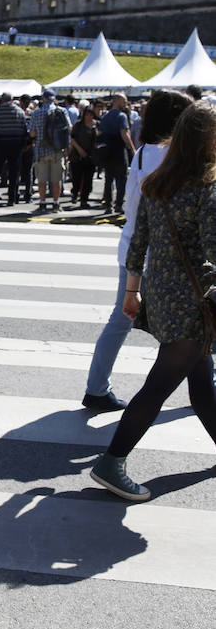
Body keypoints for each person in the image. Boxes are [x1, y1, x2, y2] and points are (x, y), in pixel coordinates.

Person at [90, 101, 216, 500]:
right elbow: (213, 249)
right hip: (193, 301)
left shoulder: (157, 182)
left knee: (201, 380)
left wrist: (132, 292)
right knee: (160, 385)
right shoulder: (207, 187)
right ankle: (112, 461)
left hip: (161, 294)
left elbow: (137, 242)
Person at [83, 90, 193, 413]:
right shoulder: (179, 154)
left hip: (134, 249)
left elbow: (133, 210)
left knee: (121, 320)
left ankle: (96, 387)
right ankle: (204, 389)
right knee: (191, 327)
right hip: (167, 257)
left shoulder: (144, 153)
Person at [29, 89, 71, 214]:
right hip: (57, 150)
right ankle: (56, 203)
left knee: (42, 179)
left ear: (43, 99)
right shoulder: (62, 111)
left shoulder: (36, 113)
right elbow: (69, 128)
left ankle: (42, 203)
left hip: (41, 150)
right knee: (56, 179)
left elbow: (32, 133)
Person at [98, 92, 136, 215]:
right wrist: (132, 148)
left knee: (108, 179)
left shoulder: (105, 116)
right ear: (117, 101)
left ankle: (108, 204)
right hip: (119, 150)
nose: (125, 104)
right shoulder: (121, 116)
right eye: (124, 101)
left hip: (107, 150)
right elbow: (124, 134)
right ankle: (118, 204)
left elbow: (99, 133)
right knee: (121, 179)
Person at [0, 92, 27, 207]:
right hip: (15, 143)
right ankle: (12, 198)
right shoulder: (19, 111)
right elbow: (24, 128)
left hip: (0, 143)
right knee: (14, 172)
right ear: (12, 99)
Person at [68, 106, 96, 207]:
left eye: (91, 115)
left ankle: (84, 199)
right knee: (77, 178)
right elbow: (72, 139)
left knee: (88, 180)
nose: (89, 117)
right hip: (77, 156)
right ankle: (75, 193)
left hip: (90, 156)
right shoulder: (78, 125)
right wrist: (80, 150)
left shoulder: (95, 125)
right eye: (87, 114)